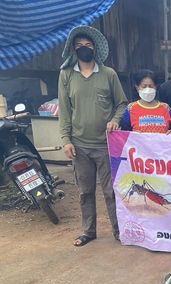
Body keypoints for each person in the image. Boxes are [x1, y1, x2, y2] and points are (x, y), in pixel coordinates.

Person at [58, 26, 127, 247]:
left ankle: (119, 231)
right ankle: (88, 231)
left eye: (88, 45)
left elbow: (122, 103)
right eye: (79, 46)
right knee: (85, 192)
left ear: (95, 49)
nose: (84, 48)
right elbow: (64, 110)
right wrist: (66, 140)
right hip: (79, 145)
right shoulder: (66, 75)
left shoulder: (108, 74)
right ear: (73, 50)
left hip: (105, 144)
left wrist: (115, 119)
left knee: (111, 191)